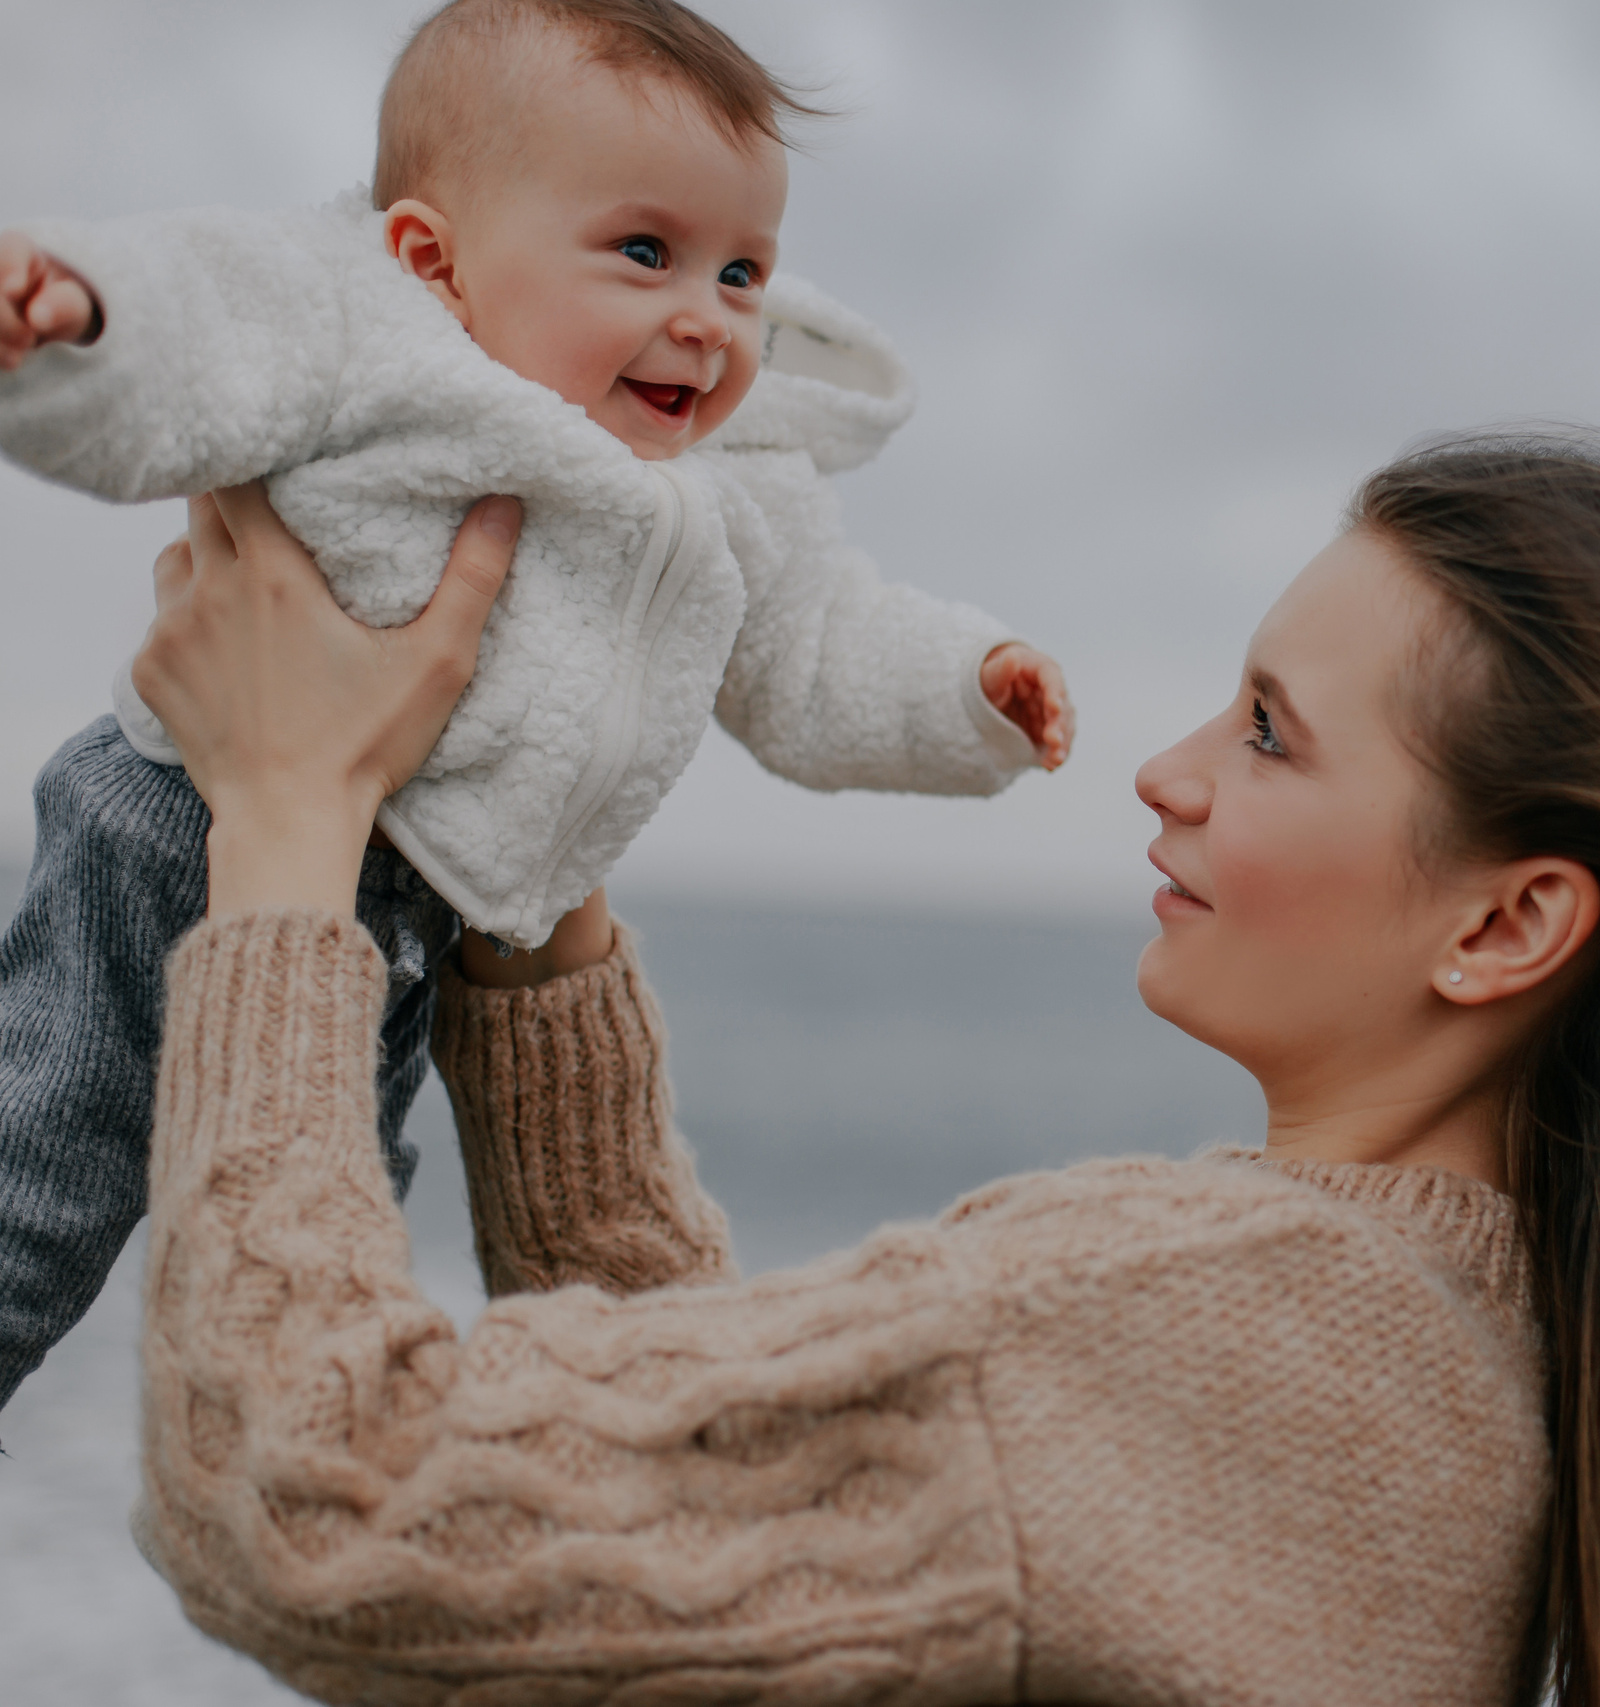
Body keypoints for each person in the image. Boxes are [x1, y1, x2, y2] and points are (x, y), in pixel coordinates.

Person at [126, 433, 1600, 1706]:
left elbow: (318, 1492)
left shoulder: (1213, 1319)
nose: (1167, 770)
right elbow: (738, 1502)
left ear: (1504, 925)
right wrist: (540, 906)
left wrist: (287, 831)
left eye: (1271, 731)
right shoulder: (1441, 1359)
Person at [0, 0, 1075, 1411]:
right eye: (645, 252)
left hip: (410, 912)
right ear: (433, 261)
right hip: (179, 828)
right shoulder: (366, 337)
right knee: (36, 1192)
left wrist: (968, 687)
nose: (706, 316)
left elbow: (814, 651)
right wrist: (77, 322)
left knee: (326, 1241)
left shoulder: (731, 486)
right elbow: (210, 325)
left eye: (744, 270)